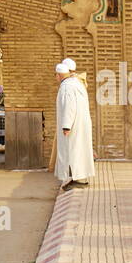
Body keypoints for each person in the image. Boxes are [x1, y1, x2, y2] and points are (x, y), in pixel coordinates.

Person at [54, 58, 95, 190]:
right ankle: (80, 178)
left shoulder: (67, 86)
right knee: (78, 151)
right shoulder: (77, 83)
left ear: (60, 74)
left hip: (73, 125)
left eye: (55, 74)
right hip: (79, 124)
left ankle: (78, 179)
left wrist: (66, 125)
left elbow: (69, 107)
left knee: (72, 152)